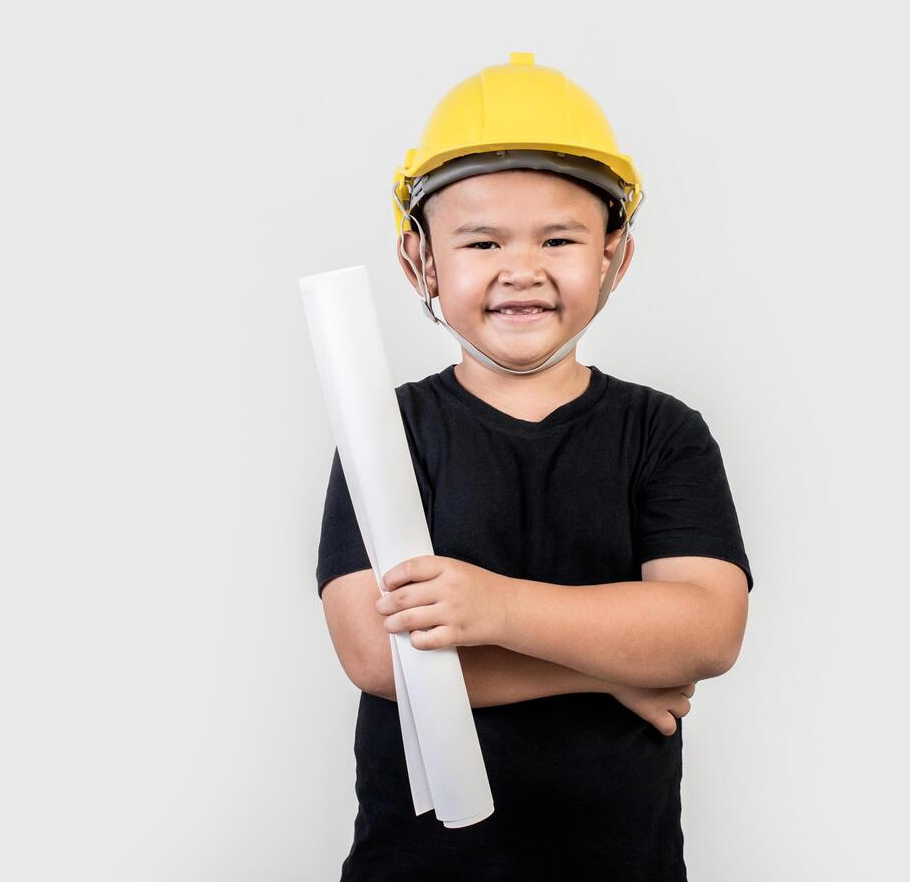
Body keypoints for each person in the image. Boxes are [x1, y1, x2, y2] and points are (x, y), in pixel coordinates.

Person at [315, 51, 754, 881]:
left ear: (613, 259)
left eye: (559, 238)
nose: (521, 268)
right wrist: (604, 666)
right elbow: (377, 658)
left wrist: (494, 608)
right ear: (421, 263)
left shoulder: (663, 433)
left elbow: (706, 629)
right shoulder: (389, 429)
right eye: (481, 241)